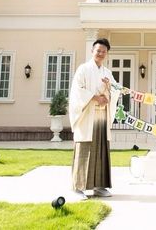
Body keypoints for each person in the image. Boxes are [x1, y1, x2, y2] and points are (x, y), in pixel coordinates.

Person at [69, 37, 119, 199]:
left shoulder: (107, 73)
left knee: (101, 148)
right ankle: (78, 188)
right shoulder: (83, 69)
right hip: (87, 114)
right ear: (92, 51)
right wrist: (96, 97)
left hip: (101, 115)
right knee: (85, 148)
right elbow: (77, 90)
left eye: (104, 51)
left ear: (107, 54)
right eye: (98, 51)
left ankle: (99, 186)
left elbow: (116, 90)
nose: (101, 54)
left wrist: (109, 88)